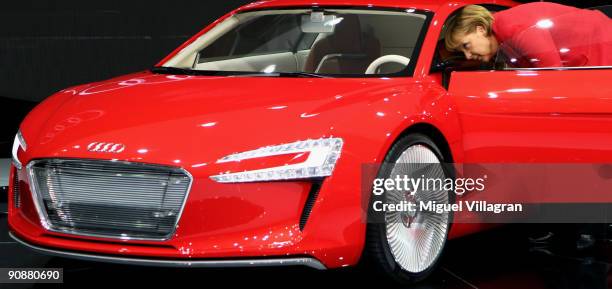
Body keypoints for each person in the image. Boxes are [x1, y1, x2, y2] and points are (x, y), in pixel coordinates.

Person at [444, 2, 612, 68]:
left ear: (480, 29)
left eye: (466, 45)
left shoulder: (513, 27)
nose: (467, 55)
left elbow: (553, 73)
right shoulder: (503, 35)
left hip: (601, 43)